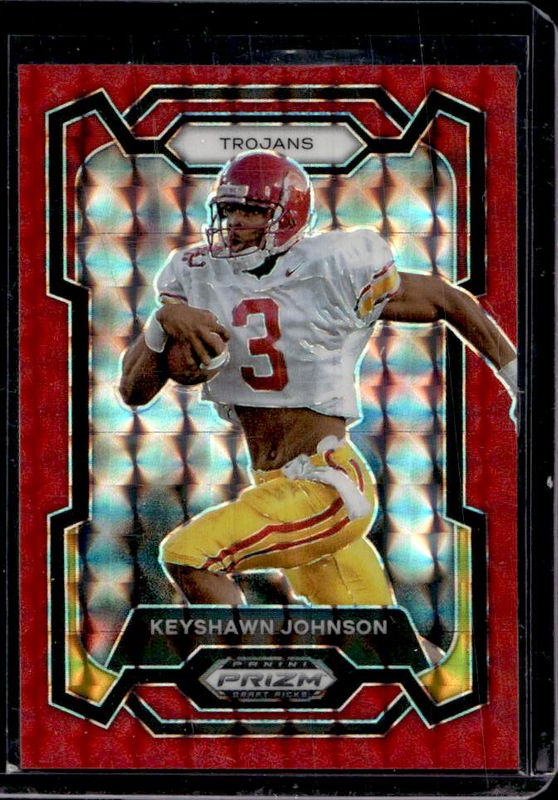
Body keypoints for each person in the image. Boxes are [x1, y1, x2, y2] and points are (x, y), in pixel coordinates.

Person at [120, 149, 517, 612]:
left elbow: (447, 300)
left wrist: (518, 381)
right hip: (274, 484)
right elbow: (133, 392)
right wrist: (161, 322)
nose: (234, 221)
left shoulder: (333, 268)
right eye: (227, 209)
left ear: (287, 216)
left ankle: (238, 657)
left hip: (326, 482)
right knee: (375, 637)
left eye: (251, 210)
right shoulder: (199, 274)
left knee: (188, 555)